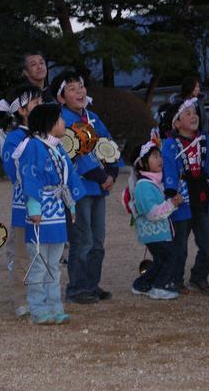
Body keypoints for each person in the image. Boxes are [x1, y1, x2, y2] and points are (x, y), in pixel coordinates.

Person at [51, 71, 123, 304]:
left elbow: (108, 144)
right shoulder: (62, 119)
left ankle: (91, 284)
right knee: (83, 240)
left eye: (80, 86)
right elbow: (73, 153)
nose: (79, 91)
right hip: (78, 188)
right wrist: (102, 175)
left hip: (98, 186)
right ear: (61, 98)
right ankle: (77, 288)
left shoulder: (92, 117)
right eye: (71, 88)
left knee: (98, 240)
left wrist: (112, 172)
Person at [12, 103, 85, 324]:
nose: (64, 123)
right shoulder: (34, 146)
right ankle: (38, 308)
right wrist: (34, 208)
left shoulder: (59, 148)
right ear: (49, 123)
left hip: (56, 213)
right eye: (61, 119)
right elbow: (30, 177)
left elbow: (69, 177)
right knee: (38, 263)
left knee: (53, 264)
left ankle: (55, 306)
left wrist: (71, 205)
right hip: (40, 213)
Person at [162, 98, 209, 295]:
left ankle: (199, 276)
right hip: (182, 197)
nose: (193, 116)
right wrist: (172, 191)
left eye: (194, 112)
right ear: (176, 123)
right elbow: (168, 168)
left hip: (203, 194)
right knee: (179, 244)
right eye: (187, 113)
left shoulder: (206, 141)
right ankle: (175, 279)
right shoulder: (170, 144)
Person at [0, 84, 43, 317]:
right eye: (36, 104)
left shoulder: (44, 134)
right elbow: (14, 170)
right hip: (23, 204)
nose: (41, 107)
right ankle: (21, 298)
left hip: (46, 204)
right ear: (23, 110)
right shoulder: (15, 137)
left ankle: (41, 294)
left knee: (43, 252)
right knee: (23, 254)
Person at [129, 141, 183, 300]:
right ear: (141, 163)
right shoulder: (144, 186)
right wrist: (172, 204)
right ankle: (160, 286)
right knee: (171, 256)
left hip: (155, 233)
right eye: (154, 156)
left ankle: (141, 284)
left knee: (160, 260)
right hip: (155, 233)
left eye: (160, 156)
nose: (160, 159)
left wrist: (171, 203)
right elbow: (152, 213)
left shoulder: (151, 183)